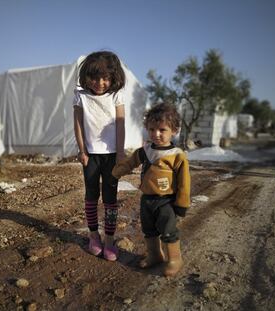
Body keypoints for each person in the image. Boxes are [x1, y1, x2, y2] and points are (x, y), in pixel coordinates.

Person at [112, 103, 190, 277]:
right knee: (149, 229)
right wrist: (115, 173)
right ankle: (155, 254)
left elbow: (185, 182)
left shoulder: (177, 155)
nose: (156, 134)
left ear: (174, 130)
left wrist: (182, 203)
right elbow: (130, 163)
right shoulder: (145, 150)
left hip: (166, 201)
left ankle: (175, 259)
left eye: (162, 130)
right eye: (152, 129)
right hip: (146, 199)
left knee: (168, 230)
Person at [73, 51, 126, 261]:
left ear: (113, 77)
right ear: (86, 77)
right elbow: (77, 123)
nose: (100, 83)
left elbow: (120, 123)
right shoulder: (80, 95)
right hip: (91, 155)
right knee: (91, 196)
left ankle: (110, 239)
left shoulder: (116, 95)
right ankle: (94, 236)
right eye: (94, 78)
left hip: (112, 155)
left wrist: (121, 152)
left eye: (105, 78)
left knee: (111, 199)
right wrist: (82, 149)